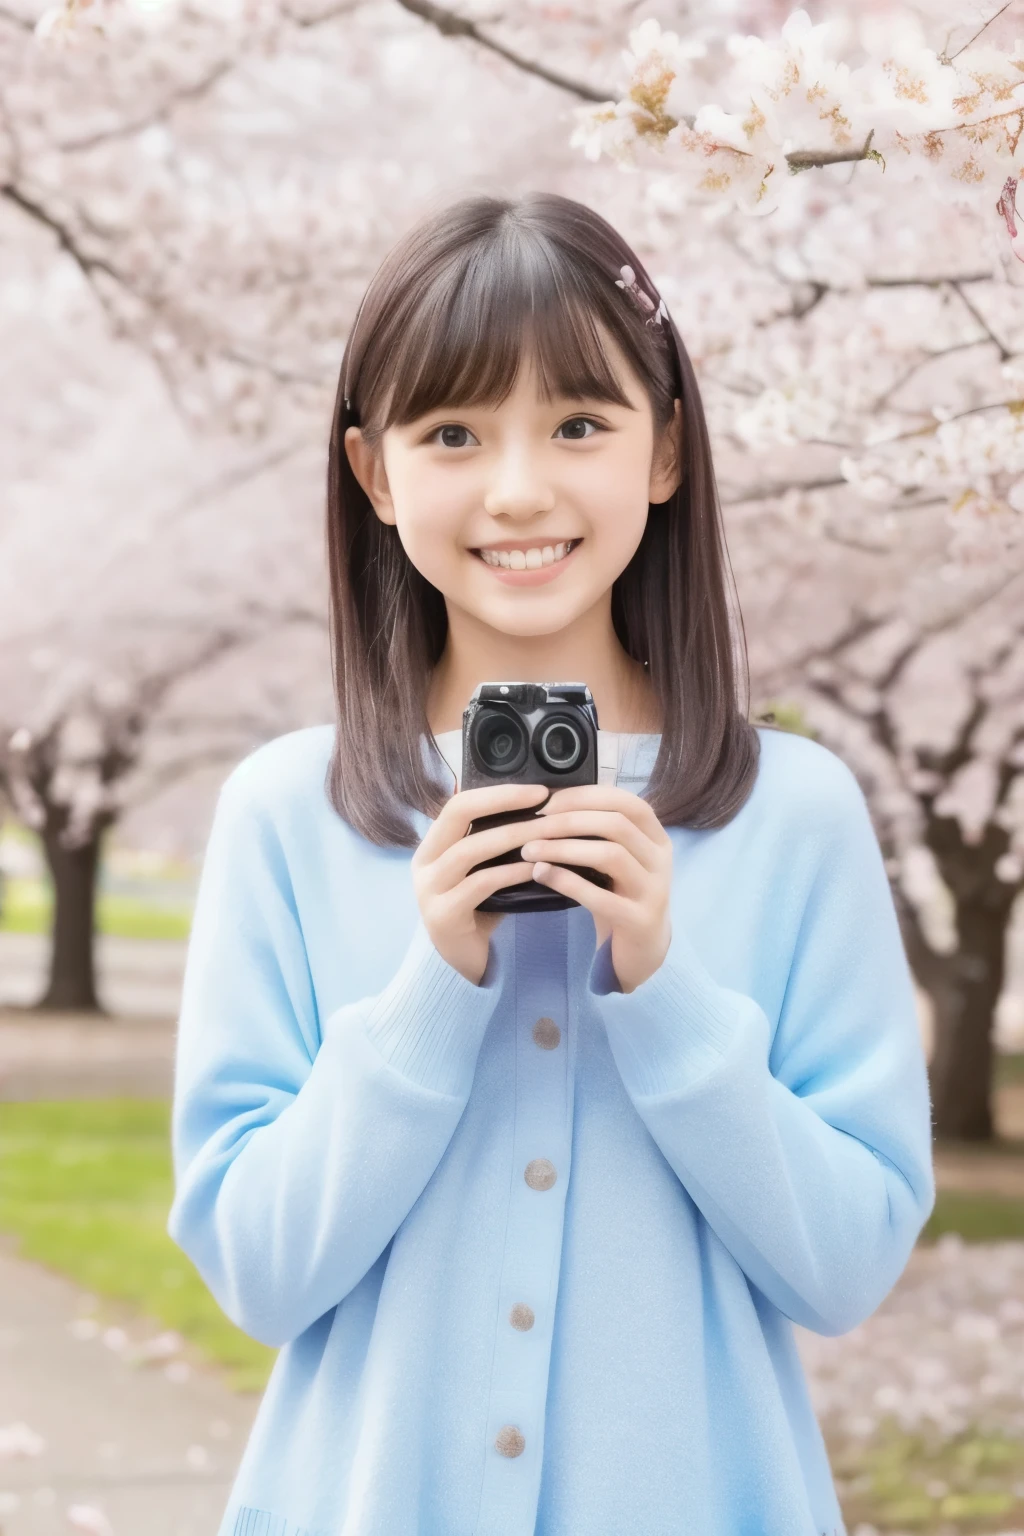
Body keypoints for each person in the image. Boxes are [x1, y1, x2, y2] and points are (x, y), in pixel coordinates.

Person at [167, 192, 935, 1536]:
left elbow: (849, 1265)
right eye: (453, 433)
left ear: (666, 450)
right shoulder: (288, 813)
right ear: (374, 472)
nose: (518, 488)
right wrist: (428, 992)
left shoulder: (794, 814)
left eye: (578, 424)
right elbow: (257, 1271)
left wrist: (666, 991)